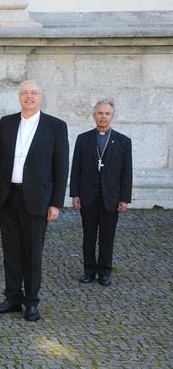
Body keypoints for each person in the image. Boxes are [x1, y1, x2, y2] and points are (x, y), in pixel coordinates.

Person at [0, 80, 69, 322]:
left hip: (37, 199)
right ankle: (12, 298)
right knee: (11, 251)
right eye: (24, 93)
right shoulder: (7, 122)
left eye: (33, 93)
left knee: (32, 253)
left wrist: (55, 203)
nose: (29, 97)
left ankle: (31, 302)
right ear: (19, 97)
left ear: (40, 97)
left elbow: (61, 167)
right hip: (7, 196)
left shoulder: (55, 126)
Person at [70, 99, 132, 287]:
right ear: (94, 115)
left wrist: (124, 198)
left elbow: (126, 172)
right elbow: (76, 169)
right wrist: (75, 194)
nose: (103, 117)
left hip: (111, 198)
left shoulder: (123, 141)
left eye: (106, 114)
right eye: (99, 113)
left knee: (107, 238)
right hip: (88, 196)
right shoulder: (83, 139)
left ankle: (104, 272)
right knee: (89, 237)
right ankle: (89, 271)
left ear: (112, 116)